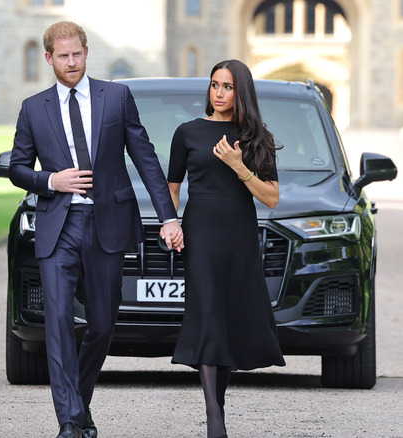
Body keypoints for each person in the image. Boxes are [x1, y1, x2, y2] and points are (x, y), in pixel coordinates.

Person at [8, 21, 183, 438]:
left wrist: (169, 216)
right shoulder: (34, 108)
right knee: (58, 321)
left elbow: (146, 159)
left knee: (103, 325)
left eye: (78, 54)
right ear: (48, 58)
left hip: (106, 224)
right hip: (58, 225)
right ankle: (69, 421)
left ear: (87, 52)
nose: (72, 63)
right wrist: (52, 180)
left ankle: (79, 405)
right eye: (63, 56)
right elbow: (16, 168)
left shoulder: (116, 96)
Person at [167, 59, 286, 438]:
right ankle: (214, 418)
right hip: (199, 232)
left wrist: (239, 165)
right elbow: (172, 187)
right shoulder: (187, 132)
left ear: (241, 93)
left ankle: (217, 406)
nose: (219, 93)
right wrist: (170, 225)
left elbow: (271, 199)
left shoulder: (256, 139)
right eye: (215, 85)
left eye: (228, 87)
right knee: (206, 314)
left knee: (228, 317)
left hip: (238, 235)